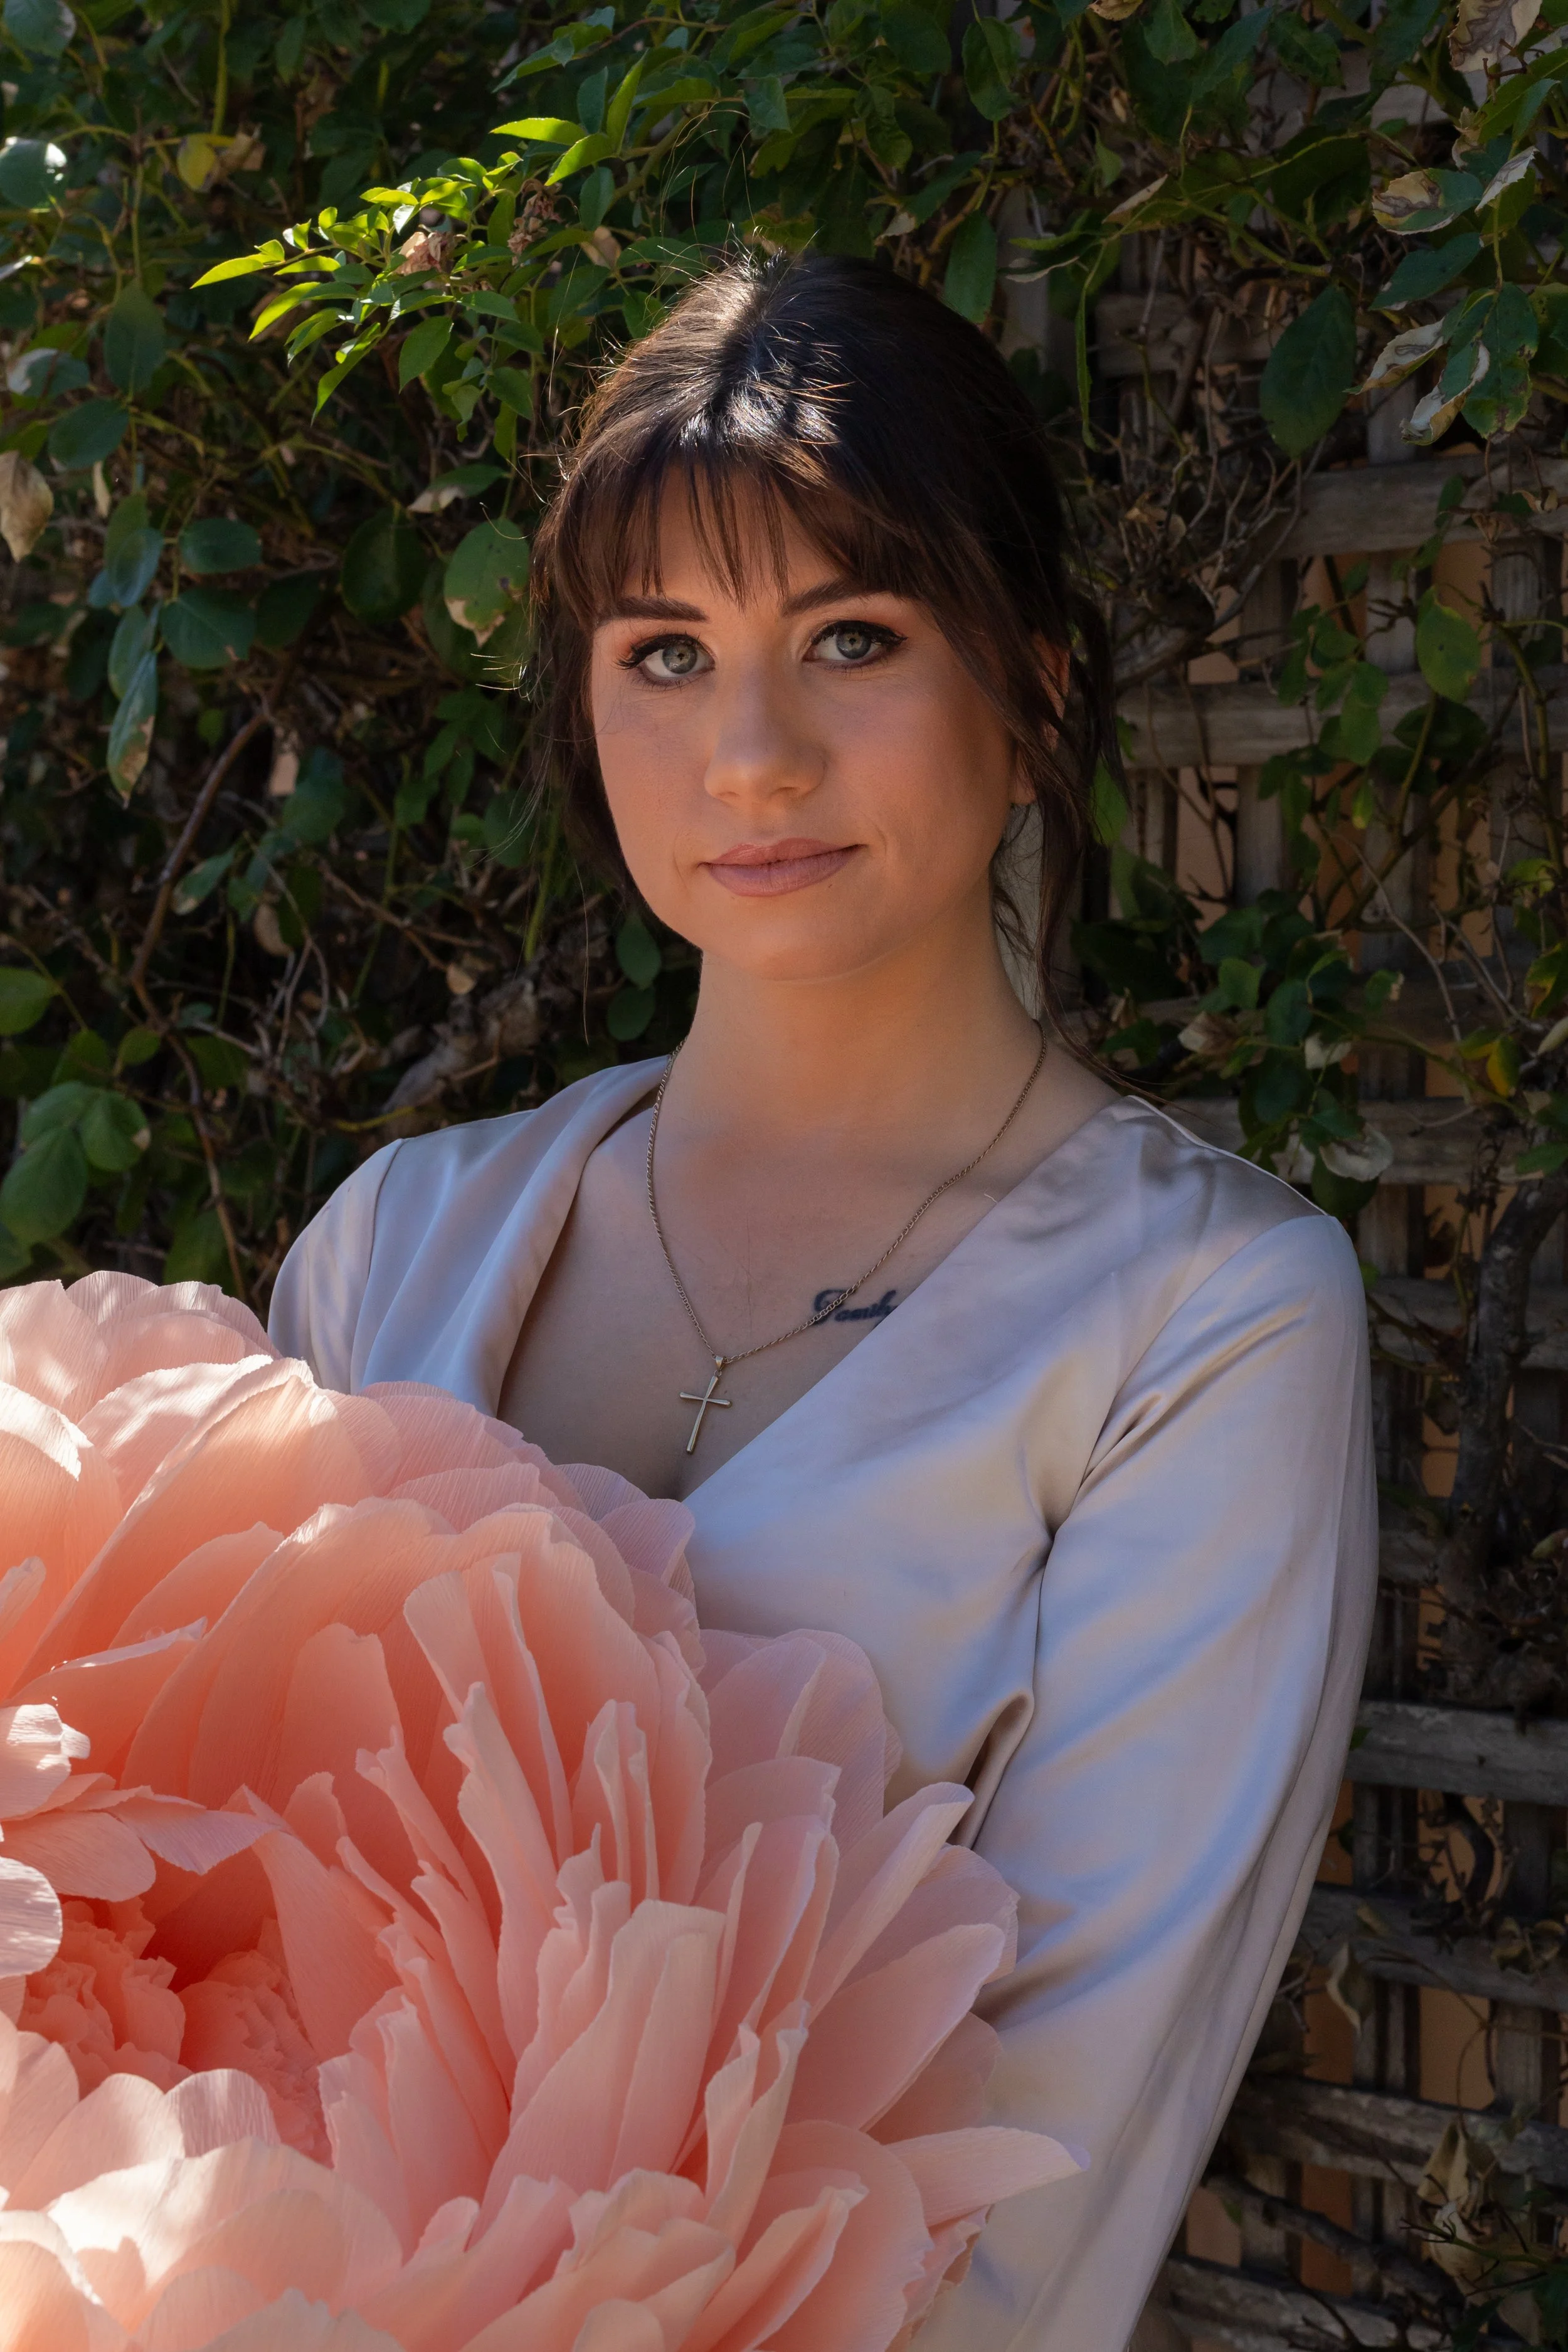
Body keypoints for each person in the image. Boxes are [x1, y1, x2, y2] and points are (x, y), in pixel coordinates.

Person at [269, 251, 1377, 2350]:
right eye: (663, 653)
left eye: (849, 638)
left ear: (1034, 681)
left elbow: (1046, 2170)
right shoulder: (390, 1247)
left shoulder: (1199, 1327)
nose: (751, 754)